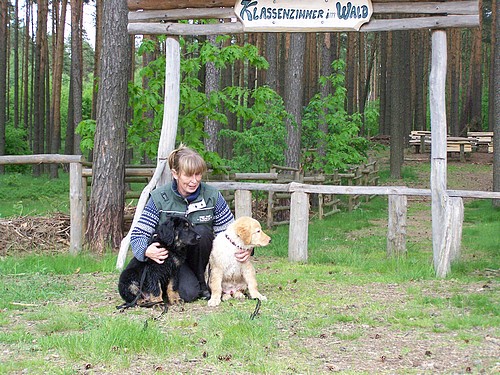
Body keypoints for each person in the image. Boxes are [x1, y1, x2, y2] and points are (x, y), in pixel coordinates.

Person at [130, 144, 252, 302]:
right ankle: (187, 286)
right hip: (173, 260)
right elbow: (139, 233)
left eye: (198, 174)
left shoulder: (212, 196)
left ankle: (203, 282)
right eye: (188, 175)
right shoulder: (159, 198)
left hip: (202, 257)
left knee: (201, 231)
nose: (194, 181)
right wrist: (145, 250)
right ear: (175, 174)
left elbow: (230, 233)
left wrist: (245, 249)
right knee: (189, 294)